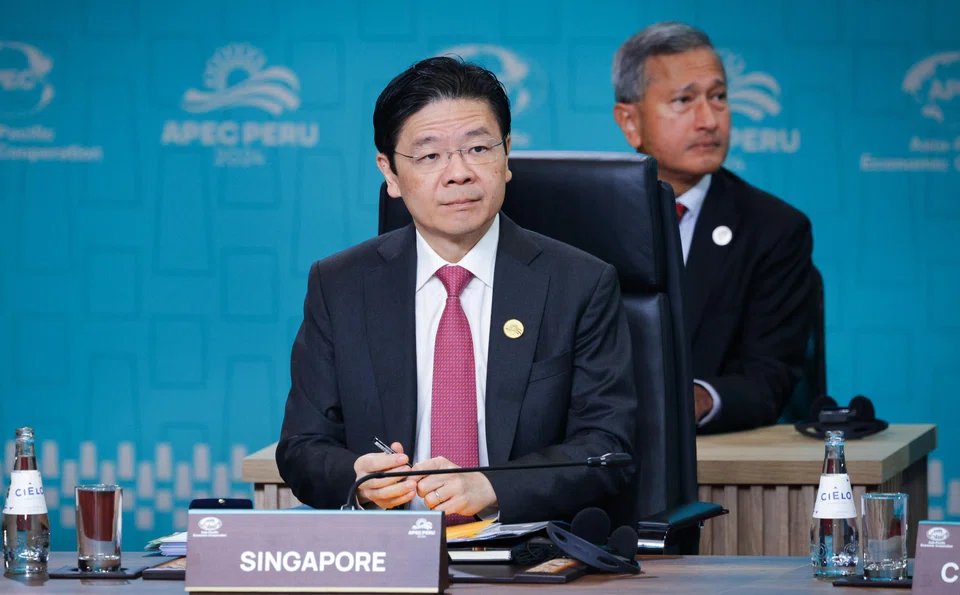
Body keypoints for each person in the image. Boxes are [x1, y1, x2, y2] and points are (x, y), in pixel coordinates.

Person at [277, 56, 636, 523]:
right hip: (391, 554)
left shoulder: (580, 283)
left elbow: (607, 448)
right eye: (429, 155)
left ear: (506, 155)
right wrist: (359, 477)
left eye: (479, 149)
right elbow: (302, 447)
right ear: (389, 173)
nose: (459, 173)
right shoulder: (340, 285)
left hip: (529, 550)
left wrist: (491, 485)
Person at [612, 22, 814, 434]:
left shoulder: (774, 229)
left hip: (714, 455)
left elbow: (769, 378)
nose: (708, 119)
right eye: (684, 100)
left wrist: (697, 398)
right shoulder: (583, 220)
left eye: (718, 97)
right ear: (630, 122)